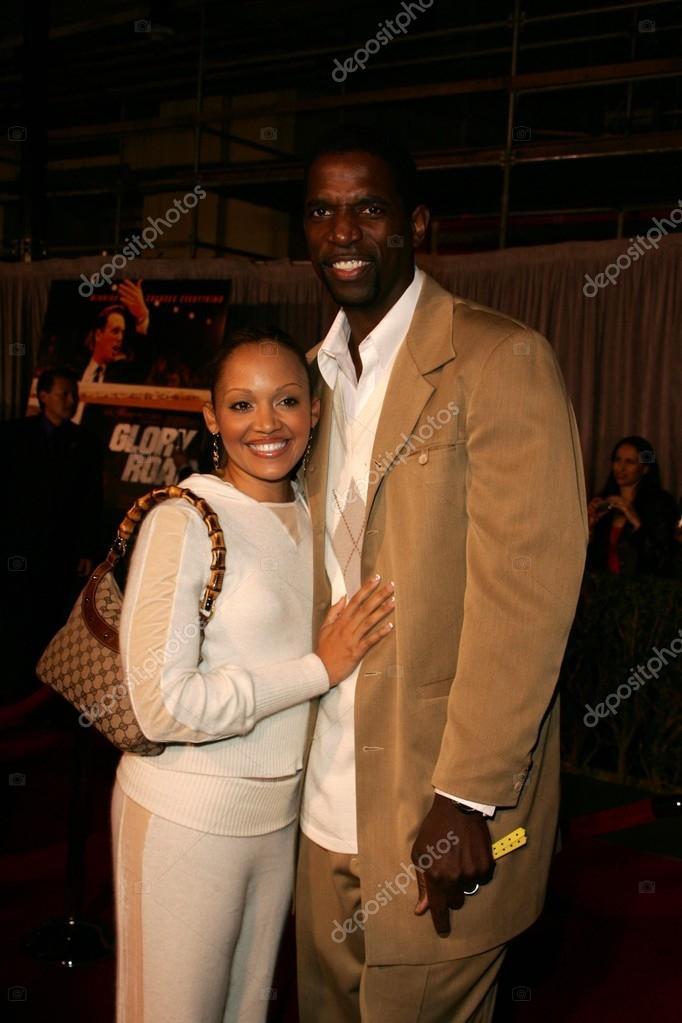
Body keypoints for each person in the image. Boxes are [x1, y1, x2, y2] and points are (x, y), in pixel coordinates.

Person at [295, 131, 588, 1023]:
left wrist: (468, 796)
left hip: (431, 811)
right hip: (319, 806)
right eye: (321, 211)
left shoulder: (498, 359)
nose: (344, 229)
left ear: (417, 225)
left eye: (370, 208)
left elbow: (528, 595)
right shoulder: (309, 380)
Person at [110, 326, 395, 1023]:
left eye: (287, 401)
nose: (266, 424)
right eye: (241, 405)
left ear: (315, 411)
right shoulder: (184, 517)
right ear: (210, 416)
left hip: (278, 823)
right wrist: (315, 669)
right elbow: (160, 703)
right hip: (185, 816)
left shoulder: (311, 515)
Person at [0, 367, 102, 700]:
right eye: (63, 393)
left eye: (74, 394)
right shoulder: (13, 435)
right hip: (17, 547)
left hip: (62, 549)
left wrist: (87, 549)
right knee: (14, 613)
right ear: (43, 396)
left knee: (52, 617)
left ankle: (41, 691)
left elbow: (91, 500)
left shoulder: (84, 443)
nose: (70, 400)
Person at [586, 435, 678, 577]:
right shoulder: (603, 501)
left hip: (642, 593)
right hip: (603, 592)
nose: (621, 468)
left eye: (630, 462)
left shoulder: (661, 503)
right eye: (617, 460)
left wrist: (635, 520)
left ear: (645, 468)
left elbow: (663, 558)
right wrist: (589, 529)